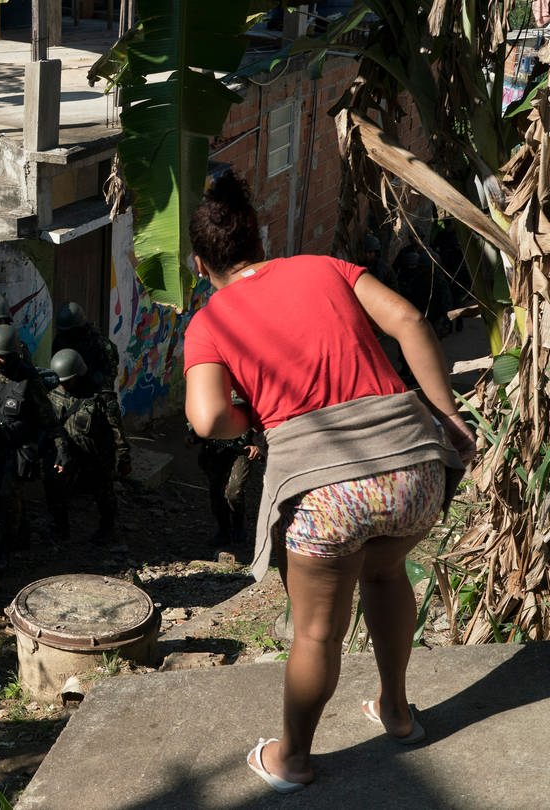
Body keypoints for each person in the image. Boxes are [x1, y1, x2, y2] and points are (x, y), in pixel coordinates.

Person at [182, 171, 474, 794]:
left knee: (317, 629)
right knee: (387, 573)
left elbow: (207, 418)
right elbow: (410, 321)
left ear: (200, 263)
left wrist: (254, 417)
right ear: (259, 239)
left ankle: (291, 759)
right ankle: (396, 713)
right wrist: (447, 416)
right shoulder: (324, 266)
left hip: (328, 491)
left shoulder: (210, 321)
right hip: (414, 467)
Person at [0, 324, 59, 570]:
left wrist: (53, 447)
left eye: (1, 355)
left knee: (8, 496)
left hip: (18, 448)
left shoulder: (28, 379)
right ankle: (22, 536)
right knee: (6, 494)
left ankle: (3, 552)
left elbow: (47, 417)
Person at [45, 348, 129, 546]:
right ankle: (60, 527)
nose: (64, 385)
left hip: (96, 454)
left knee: (103, 492)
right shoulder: (52, 393)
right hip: (66, 452)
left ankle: (107, 529)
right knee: (54, 487)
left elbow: (117, 430)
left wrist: (124, 456)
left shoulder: (101, 397)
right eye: (62, 381)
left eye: (69, 380)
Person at [51, 301, 131, 480]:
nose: (66, 334)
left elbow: (108, 376)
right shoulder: (61, 340)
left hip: (92, 395)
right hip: (67, 395)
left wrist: (90, 384)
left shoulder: (101, 345)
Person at [186, 415, 263, 556]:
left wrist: (258, 443)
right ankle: (223, 530)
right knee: (216, 491)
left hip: (242, 447)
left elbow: (263, 411)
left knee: (234, 491)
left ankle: (238, 526)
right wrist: (193, 434)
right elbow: (199, 411)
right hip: (214, 447)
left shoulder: (247, 394)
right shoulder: (211, 392)